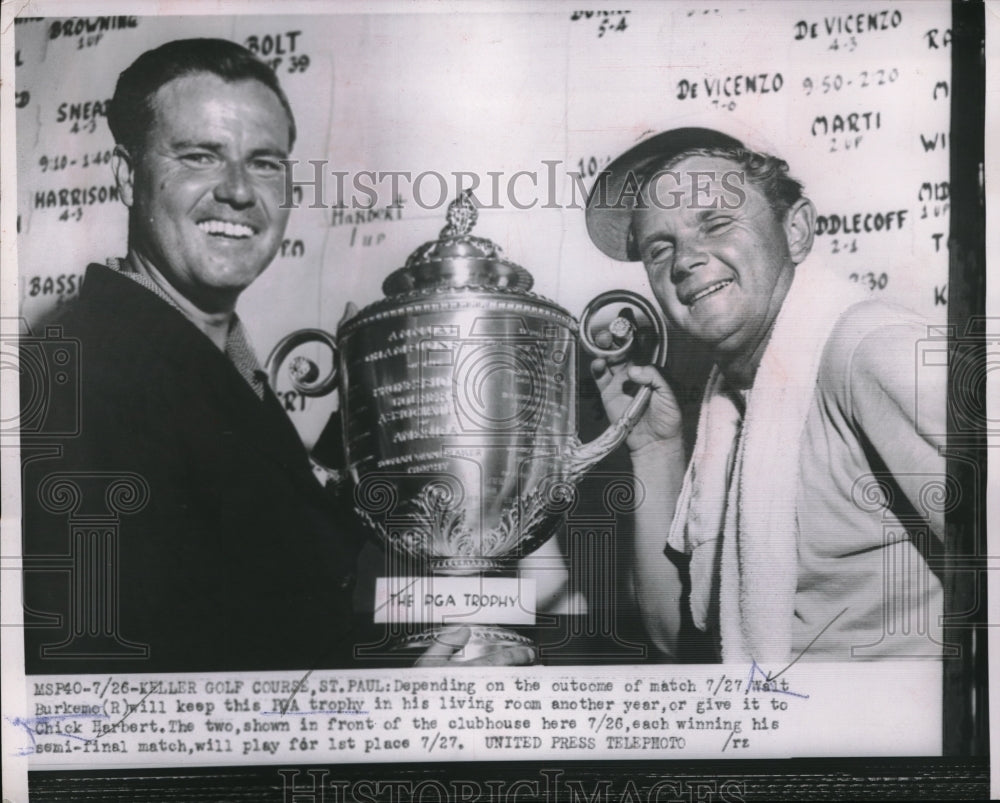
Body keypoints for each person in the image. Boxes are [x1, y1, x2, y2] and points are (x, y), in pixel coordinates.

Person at [21, 38, 531, 673]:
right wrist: (386, 707)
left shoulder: (207, 358)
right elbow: (110, 688)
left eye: (264, 163)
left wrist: (370, 416)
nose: (237, 191)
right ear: (127, 175)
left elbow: (260, 571)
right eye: (199, 156)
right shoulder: (80, 382)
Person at [586, 127, 947, 664]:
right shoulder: (728, 404)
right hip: (777, 732)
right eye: (660, 249)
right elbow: (675, 638)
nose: (684, 260)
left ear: (796, 230)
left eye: (716, 222)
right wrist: (655, 450)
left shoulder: (874, 349)